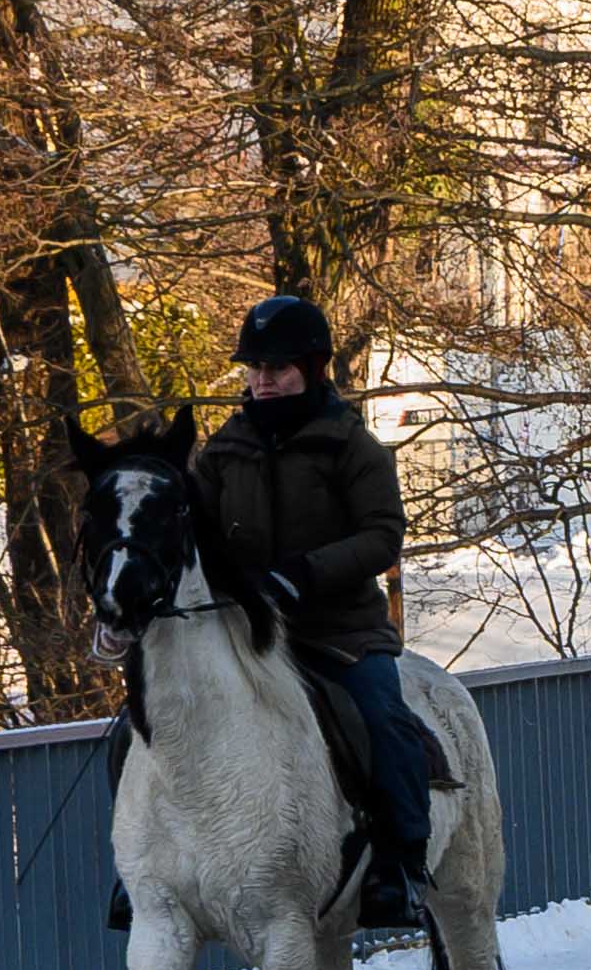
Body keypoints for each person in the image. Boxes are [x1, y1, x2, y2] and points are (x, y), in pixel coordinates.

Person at [187, 292, 436, 932]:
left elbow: (382, 536)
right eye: (256, 368)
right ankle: (154, 872)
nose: (264, 380)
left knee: (384, 720)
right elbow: (196, 534)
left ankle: (402, 863)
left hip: (341, 633)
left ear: (312, 368)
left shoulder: (352, 446)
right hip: (248, 635)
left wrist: (305, 573)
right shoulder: (223, 451)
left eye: (278, 368)